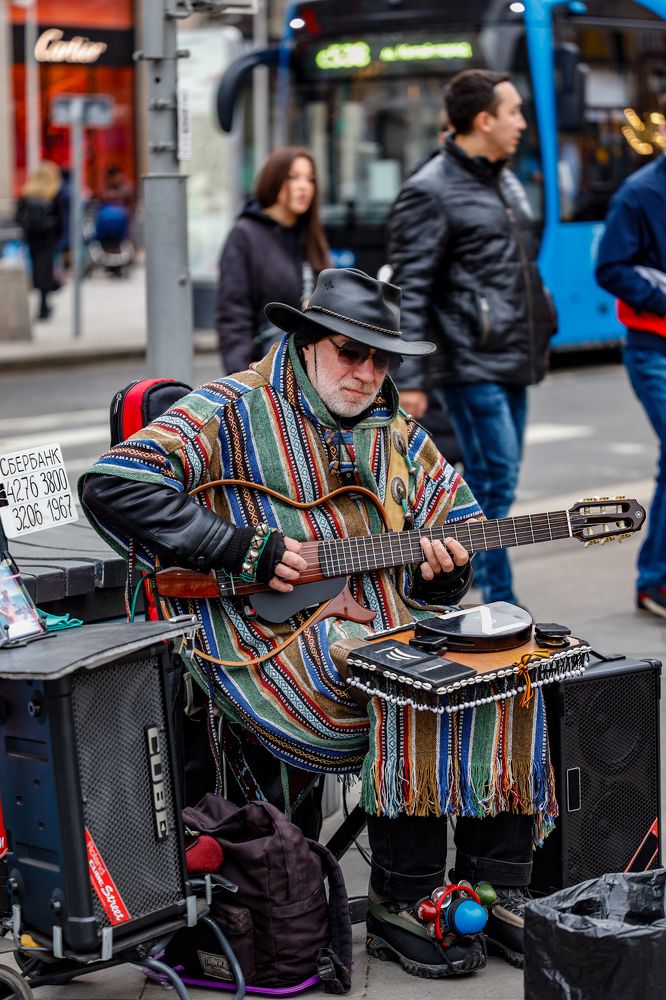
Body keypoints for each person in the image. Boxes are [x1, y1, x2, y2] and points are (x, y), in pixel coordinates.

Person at [80, 268, 556, 979]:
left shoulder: (394, 428)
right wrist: (242, 546)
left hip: (382, 620)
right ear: (304, 342)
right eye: (349, 351)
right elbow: (113, 482)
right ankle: (404, 899)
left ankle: (496, 884)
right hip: (260, 637)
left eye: (382, 358)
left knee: (509, 665)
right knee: (409, 681)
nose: (367, 373)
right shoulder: (230, 409)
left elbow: (460, 521)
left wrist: (444, 569)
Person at [388, 69, 557, 605]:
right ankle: (498, 600)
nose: (522, 124)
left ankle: (466, 586)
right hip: (468, 359)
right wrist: (409, 376)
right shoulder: (430, 189)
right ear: (483, 120)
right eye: (514, 113)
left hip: (514, 354)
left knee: (496, 480)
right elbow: (410, 289)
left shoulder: (503, 178)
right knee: (494, 482)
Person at [595, 93, 666, 619]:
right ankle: (655, 581)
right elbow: (612, 267)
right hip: (655, 349)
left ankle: (656, 578)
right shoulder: (639, 193)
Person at [215, 146, 330, 374]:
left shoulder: (309, 235)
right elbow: (233, 315)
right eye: (293, 177)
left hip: (312, 373)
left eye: (310, 179)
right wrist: (241, 378)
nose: (304, 186)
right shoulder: (244, 235)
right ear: (274, 179)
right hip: (265, 369)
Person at [15, 160, 64, 320]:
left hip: (32, 239)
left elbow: (18, 218)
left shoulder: (26, 194)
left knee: (37, 269)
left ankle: (43, 303)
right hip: (48, 239)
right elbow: (61, 220)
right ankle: (44, 304)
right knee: (47, 270)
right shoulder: (54, 194)